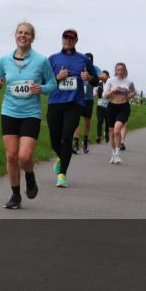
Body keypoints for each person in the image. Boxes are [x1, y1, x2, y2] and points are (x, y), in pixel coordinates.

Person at [0, 22, 57, 209]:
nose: (23, 36)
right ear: (15, 36)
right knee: (11, 156)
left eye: (27, 33)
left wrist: (41, 88)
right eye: (20, 32)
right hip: (9, 111)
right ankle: (15, 195)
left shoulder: (41, 61)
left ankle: (30, 176)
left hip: (31, 113)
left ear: (32, 38)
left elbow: (52, 84)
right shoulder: (4, 60)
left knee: (25, 156)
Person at [46, 29, 99, 187]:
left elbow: (95, 80)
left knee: (67, 137)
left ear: (76, 41)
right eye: (65, 37)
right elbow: (45, 81)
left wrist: (89, 77)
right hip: (55, 102)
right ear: (62, 39)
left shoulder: (83, 59)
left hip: (74, 104)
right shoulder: (52, 59)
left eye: (71, 38)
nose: (68, 40)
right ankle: (61, 156)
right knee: (55, 139)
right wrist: (58, 77)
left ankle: (62, 174)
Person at [104, 62, 137, 164]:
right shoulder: (110, 80)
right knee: (111, 131)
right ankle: (113, 153)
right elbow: (105, 95)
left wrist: (129, 96)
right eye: (118, 70)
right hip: (112, 107)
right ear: (115, 71)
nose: (120, 72)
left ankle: (118, 154)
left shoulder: (129, 82)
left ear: (125, 71)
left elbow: (134, 92)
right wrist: (113, 91)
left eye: (122, 70)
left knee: (117, 130)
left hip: (123, 107)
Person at [74, 52, 101, 154]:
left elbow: (100, 75)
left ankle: (85, 141)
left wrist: (95, 77)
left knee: (87, 123)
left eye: (89, 61)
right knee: (75, 121)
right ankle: (75, 143)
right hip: (78, 98)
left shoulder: (94, 68)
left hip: (89, 100)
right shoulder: (78, 66)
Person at [95, 70, 110, 143]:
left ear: (108, 76)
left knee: (107, 122)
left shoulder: (110, 83)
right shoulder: (99, 84)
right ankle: (98, 137)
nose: (102, 76)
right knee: (100, 120)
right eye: (102, 75)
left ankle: (106, 133)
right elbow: (95, 93)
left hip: (108, 106)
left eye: (104, 75)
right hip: (100, 105)